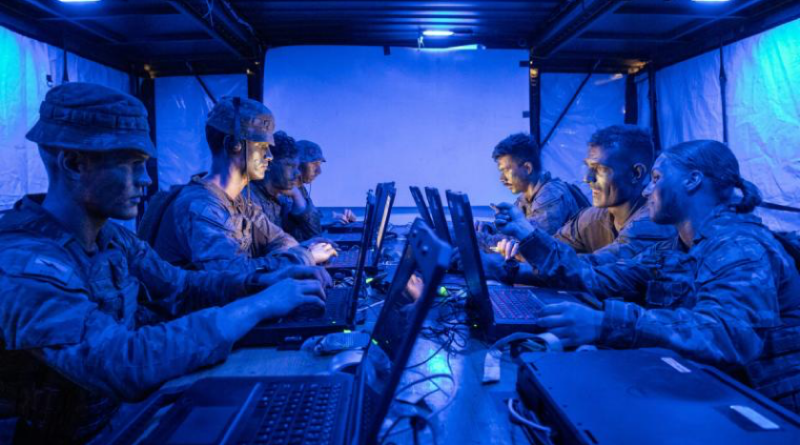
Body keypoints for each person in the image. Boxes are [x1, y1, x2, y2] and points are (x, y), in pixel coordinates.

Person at [0, 83, 329, 443]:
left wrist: (261, 283)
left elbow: (181, 287)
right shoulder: (24, 261)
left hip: (130, 417)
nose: (146, 180)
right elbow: (122, 361)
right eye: (131, 166)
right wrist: (259, 304)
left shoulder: (112, 237)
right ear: (75, 164)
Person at [495, 139, 800, 412]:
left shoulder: (739, 246)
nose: (648, 190)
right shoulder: (674, 248)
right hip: (710, 392)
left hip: (758, 409)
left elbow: (727, 335)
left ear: (693, 180)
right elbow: (597, 276)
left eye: (657, 179)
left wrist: (606, 324)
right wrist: (528, 237)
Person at [140, 99, 337, 272]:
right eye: (262, 148)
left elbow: (281, 240)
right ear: (232, 145)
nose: (269, 157)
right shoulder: (201, 207)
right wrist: (304, 256)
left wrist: (296, 253)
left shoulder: (240, 202)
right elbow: (232, 276)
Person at [492, 125, 675, 273]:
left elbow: (596, 268)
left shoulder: (652, 223)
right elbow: (552, 248)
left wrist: (516, 253)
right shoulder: (593, 216)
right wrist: (523, 249)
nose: (588, 178)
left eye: (600, 169)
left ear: (636, 174)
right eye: (588, 167)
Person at [489, 132, 587, 236]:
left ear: (527, 168)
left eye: (506, 170)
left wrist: (488, 239)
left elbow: (531, 238)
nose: (502, 178)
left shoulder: (551, 195)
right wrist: (489, 228)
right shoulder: (525, 198)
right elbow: (511, 224)